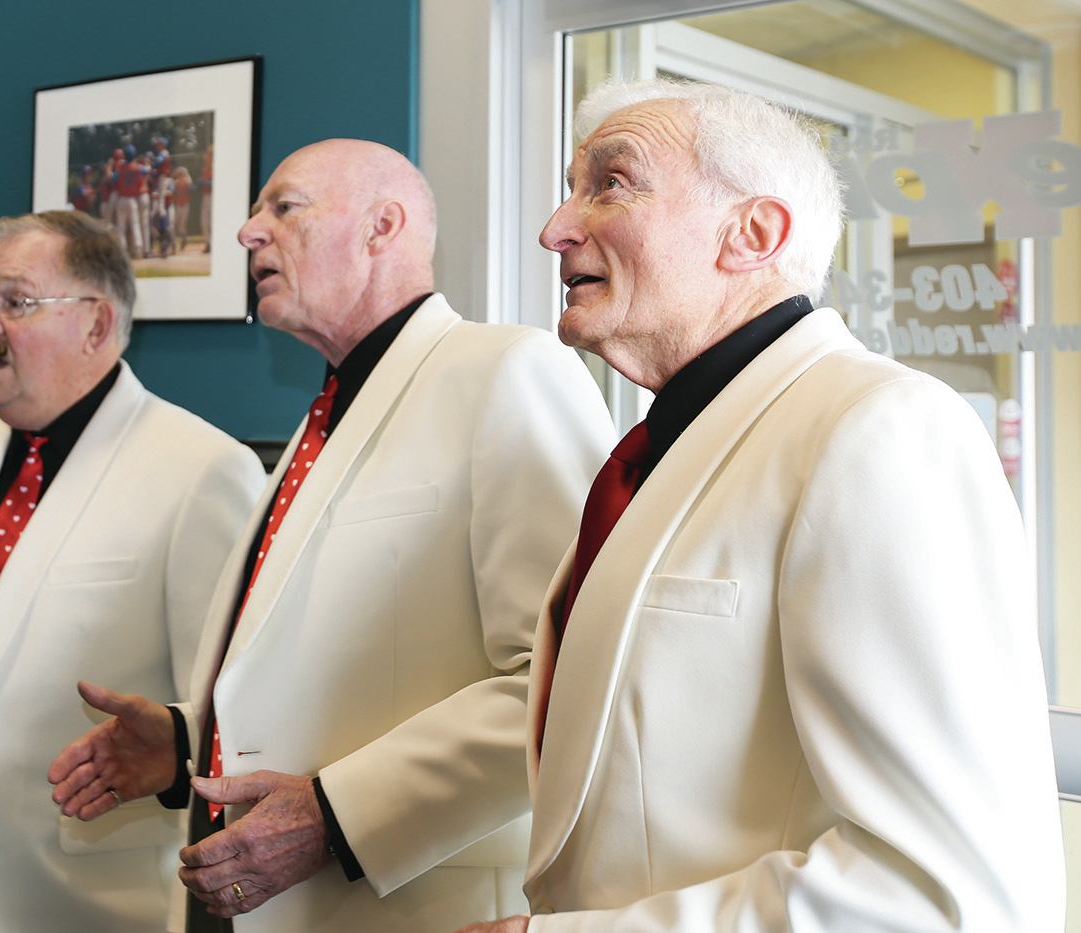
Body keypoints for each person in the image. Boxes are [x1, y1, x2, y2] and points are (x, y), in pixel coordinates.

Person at [454, 78, 1064, 933]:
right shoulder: (659, 449)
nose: (555, 227)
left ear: (754, 234)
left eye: (611, 183)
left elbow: (945, 896)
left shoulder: (880, 429)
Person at [49, 138, 615, 933]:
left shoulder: (506, 372)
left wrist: (339, 815)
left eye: (283, 207)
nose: (247, 232)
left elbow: (566, 680)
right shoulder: (325, 413)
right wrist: (186, 741)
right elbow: (331, 667)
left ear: (383, 227)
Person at [0, 210, 263, 933]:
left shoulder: (203, 469)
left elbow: (233, 711)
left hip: (89, 897)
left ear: (96, 325)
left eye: (16, 301)